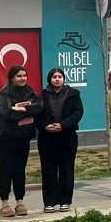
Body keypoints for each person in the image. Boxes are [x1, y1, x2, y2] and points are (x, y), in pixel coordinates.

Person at [0, 65, 38, 217]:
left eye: (24, 75)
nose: (22, 78)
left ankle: (20, 201)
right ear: (12, 78)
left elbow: (38, 107)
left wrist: (22, 110)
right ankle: (4, 203)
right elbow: (6, 112)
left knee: (20, 169)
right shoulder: (4, 94)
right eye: (19, 76)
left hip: (23, 136)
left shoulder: (30, 92)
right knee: (6, 168)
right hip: (5, 137)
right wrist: (23, 113)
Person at [37, 67, 84, 212]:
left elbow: (78, 112)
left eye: (59, 76)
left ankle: (65, 200)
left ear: (64, 79)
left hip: (67, 136)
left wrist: (63, 125)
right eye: (54, 77)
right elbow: (37, 116)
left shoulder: (73, 94)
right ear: (49, 79)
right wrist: (45, 126)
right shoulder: (41, 96)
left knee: (66, 168)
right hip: (47, 138)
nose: (57, 79)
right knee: (48, 169)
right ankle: (49, 202)